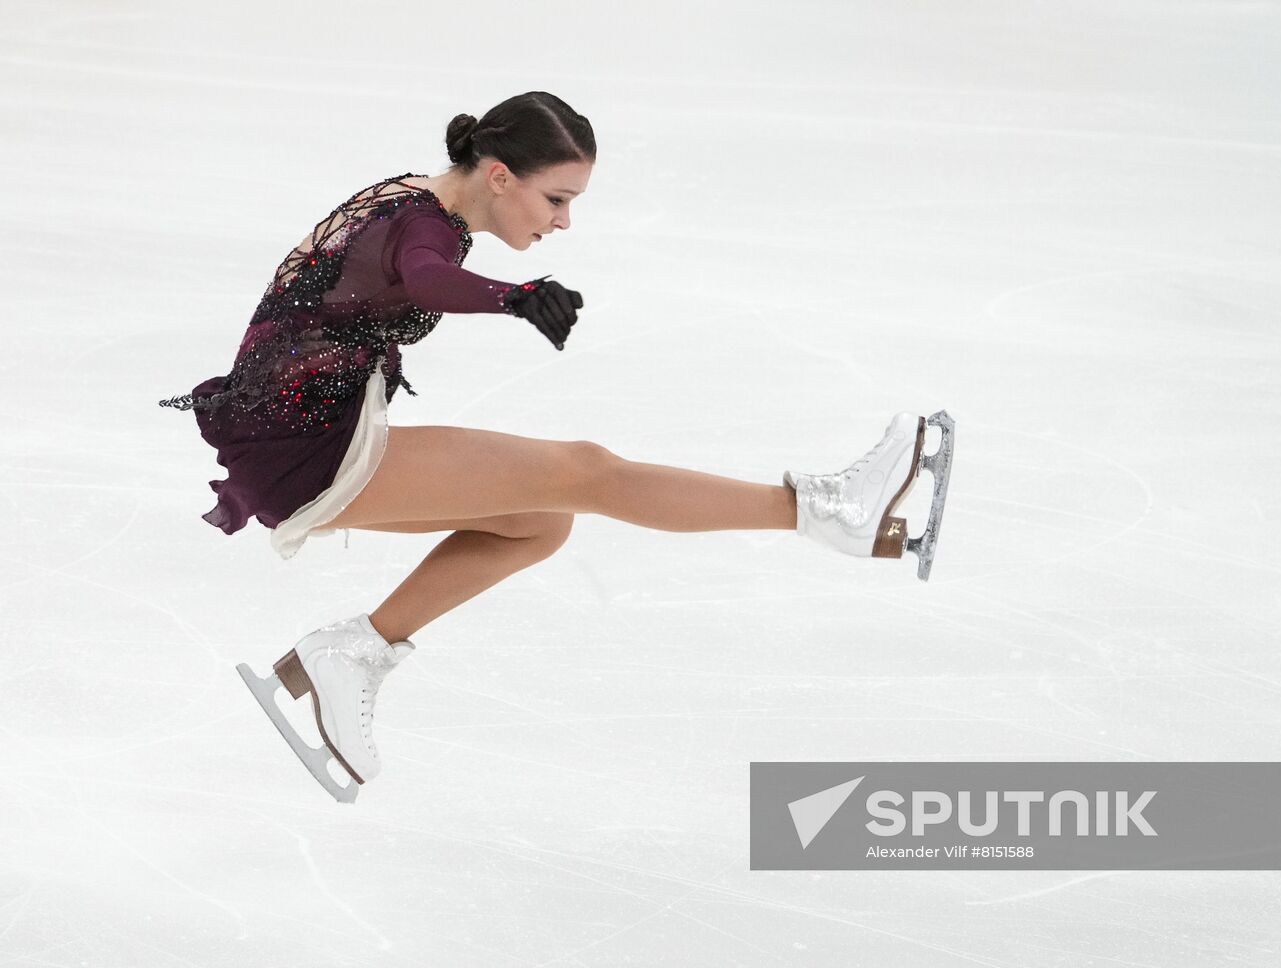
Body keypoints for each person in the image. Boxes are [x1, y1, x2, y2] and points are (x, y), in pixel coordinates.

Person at [160, 91, 945, 802]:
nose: (563, 220)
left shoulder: (416, 201)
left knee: (540, 519)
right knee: (585, 472)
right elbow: (426, 275)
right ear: (500, 176)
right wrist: (517, 296)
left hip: (303, 434)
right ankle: (827, 511)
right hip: (306, 449)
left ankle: (354, 650)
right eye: (557, 198)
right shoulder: (423, 225)